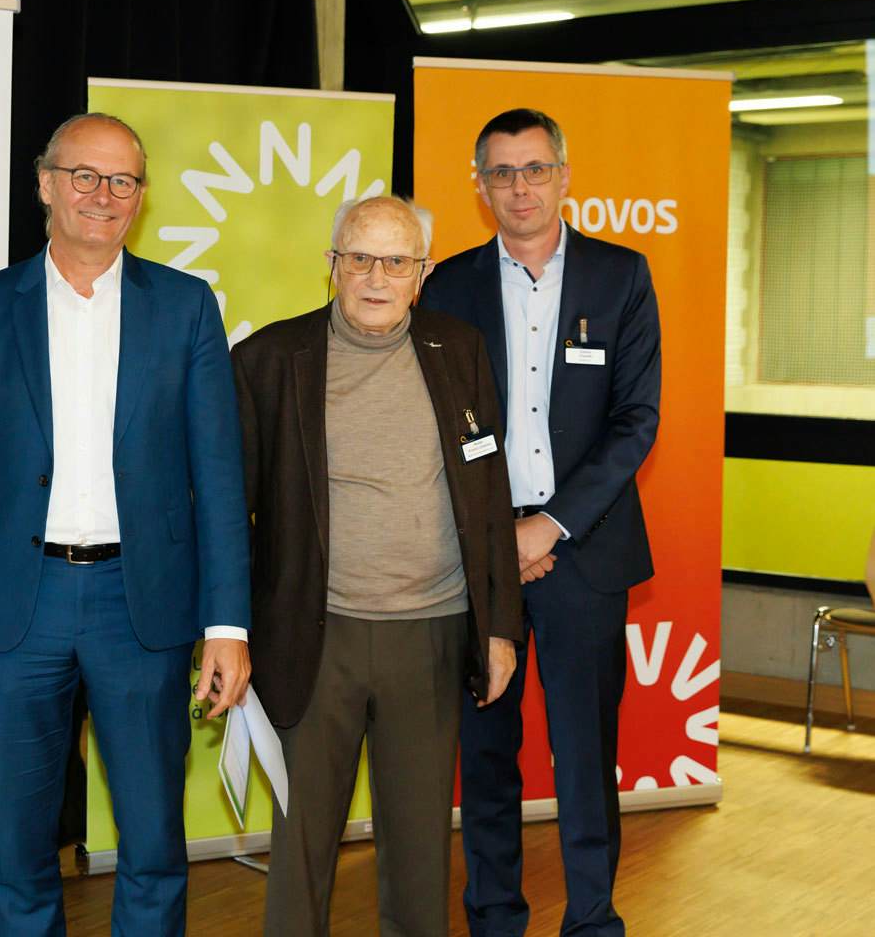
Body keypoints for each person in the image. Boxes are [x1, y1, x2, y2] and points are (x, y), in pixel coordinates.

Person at [0, 112, 252, 935]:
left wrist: (227, 625)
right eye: (84, 176)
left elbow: (218, 478)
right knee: (21, 848)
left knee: (153, 843)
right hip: (15, 609)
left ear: (141, 194)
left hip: (143, 609)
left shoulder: (185, 307)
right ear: (45, 184)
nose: (104, 195)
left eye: (123, 180)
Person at [232, 195, 523, 936]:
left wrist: (499, 627)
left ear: (422, 273)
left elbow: (490, 494)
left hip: (432, 633)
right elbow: (231, 513)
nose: (376, 278)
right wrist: (228, 633)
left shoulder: (459, 350)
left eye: (396, 262)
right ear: (332, 265)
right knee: (300, 852)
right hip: (313, 636)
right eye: (359, 258)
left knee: (421, 853)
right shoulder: (268, 360)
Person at [421, 108, 662, 937]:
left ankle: (592, 920)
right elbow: (440, 427)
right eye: (502, 172)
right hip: (478, 559)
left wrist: (550, 525)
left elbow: (636, 420)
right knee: (486, 754)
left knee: (585, 755)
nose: (519, 187)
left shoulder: (620, 276)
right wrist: (499, 535)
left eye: (534, 169)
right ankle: (495, 918)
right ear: (480, 185)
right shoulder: (446, 286)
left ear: (563, 175)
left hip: (582, 555)